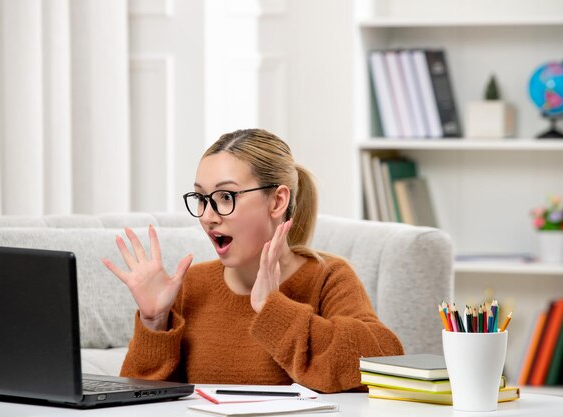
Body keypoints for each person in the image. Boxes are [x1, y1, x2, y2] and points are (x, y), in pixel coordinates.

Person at [102, 128, 403, 393]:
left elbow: (383, 361)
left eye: (225, 197)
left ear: (277, 201)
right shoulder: (192, 285)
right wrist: (154, 323)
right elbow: (139, 404)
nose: (207, 217)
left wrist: (274, 307)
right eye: (201, 199)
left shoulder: (328, 277)